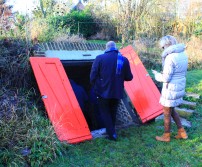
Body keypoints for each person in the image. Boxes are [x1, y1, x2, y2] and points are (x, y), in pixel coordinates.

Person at [90, 41, 133, 141]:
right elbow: (129, 77)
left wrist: (96, 86)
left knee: (105, 112)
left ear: (106, 48)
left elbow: (92, 77)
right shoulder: (123, 59)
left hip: (103, 92)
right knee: (113, 111)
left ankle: (111, 134)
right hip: (117, 92)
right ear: (115, 47)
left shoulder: (99, 58)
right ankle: (112, 130)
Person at [152, 35, 188, 142]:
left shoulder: (170, 57)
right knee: (171, 110)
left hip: (170, 89)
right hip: (179, 87)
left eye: (163, 47)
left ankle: (166, 136)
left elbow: (166, 78)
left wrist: (157, 75)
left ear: (166, 45)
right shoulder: (183, 54)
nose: (163, 49)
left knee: (166, 112)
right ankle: (182, 132)